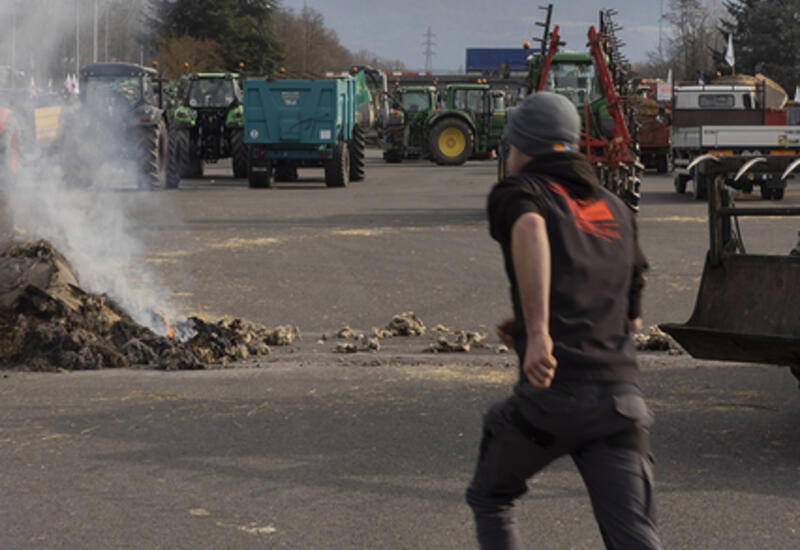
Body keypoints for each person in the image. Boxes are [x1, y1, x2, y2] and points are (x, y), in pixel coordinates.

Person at [466, 91, 662, 550]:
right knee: (635, 539)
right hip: (621, 404)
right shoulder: (616, 209)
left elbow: (531, 229)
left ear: (522, 146)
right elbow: (629, 318)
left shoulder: (520, 191)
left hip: (554, 399)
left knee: (491, 496)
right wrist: (540, 317)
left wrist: (538, 334)